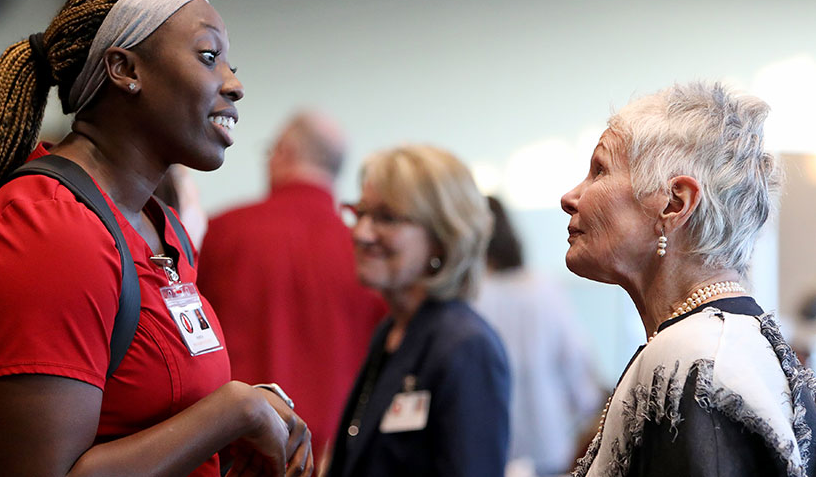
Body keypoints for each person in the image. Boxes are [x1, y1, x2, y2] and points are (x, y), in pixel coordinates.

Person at [0, 0, 313, 475]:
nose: (233, 83)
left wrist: (242, 425)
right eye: (207, 56)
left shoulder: (163, 227)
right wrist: (232, 412)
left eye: (230, 65)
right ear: (125, 69)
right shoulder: (51, 231)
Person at [561, 82, 816, 477]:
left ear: (674, 203)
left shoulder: (702, 355)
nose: (571, 197)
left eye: (599, 170)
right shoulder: (709, 343)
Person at [196, 111, 386, 462]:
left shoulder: (226, 232)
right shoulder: (366, 250)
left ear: (285, 151)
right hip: (335, 454)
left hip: (241, 450)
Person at [326, 144, 510, 477]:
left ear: (443, 238)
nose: (361, 233)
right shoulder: (393, 331)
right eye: (361, 212)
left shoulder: (466, 347)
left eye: (386, 218)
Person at [476, 196, 602, 476]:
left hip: (490, 446)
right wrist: (588, 406)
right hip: (548, 442)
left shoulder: (471, 296)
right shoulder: (542, 288)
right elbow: (575, 359)